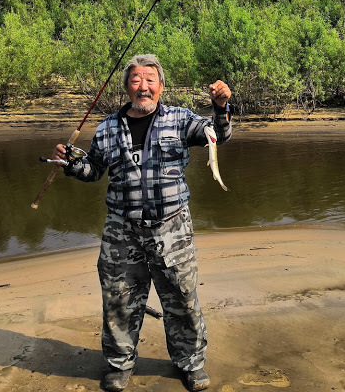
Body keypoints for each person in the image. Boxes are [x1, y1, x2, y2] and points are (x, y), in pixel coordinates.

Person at [53, 54, 232, 392]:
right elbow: (93, 170)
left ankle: (190, 364)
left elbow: (216, 137)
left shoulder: (180, 120)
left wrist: (220, 107)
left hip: (172, 228)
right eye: (136, 80)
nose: (144, 86)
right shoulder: (107, 127)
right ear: (126, 87)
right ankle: (119, 366)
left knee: (182, 298)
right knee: (119, 301)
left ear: (161, 86)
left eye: (150, 79)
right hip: (121, 231)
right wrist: (72, 164)